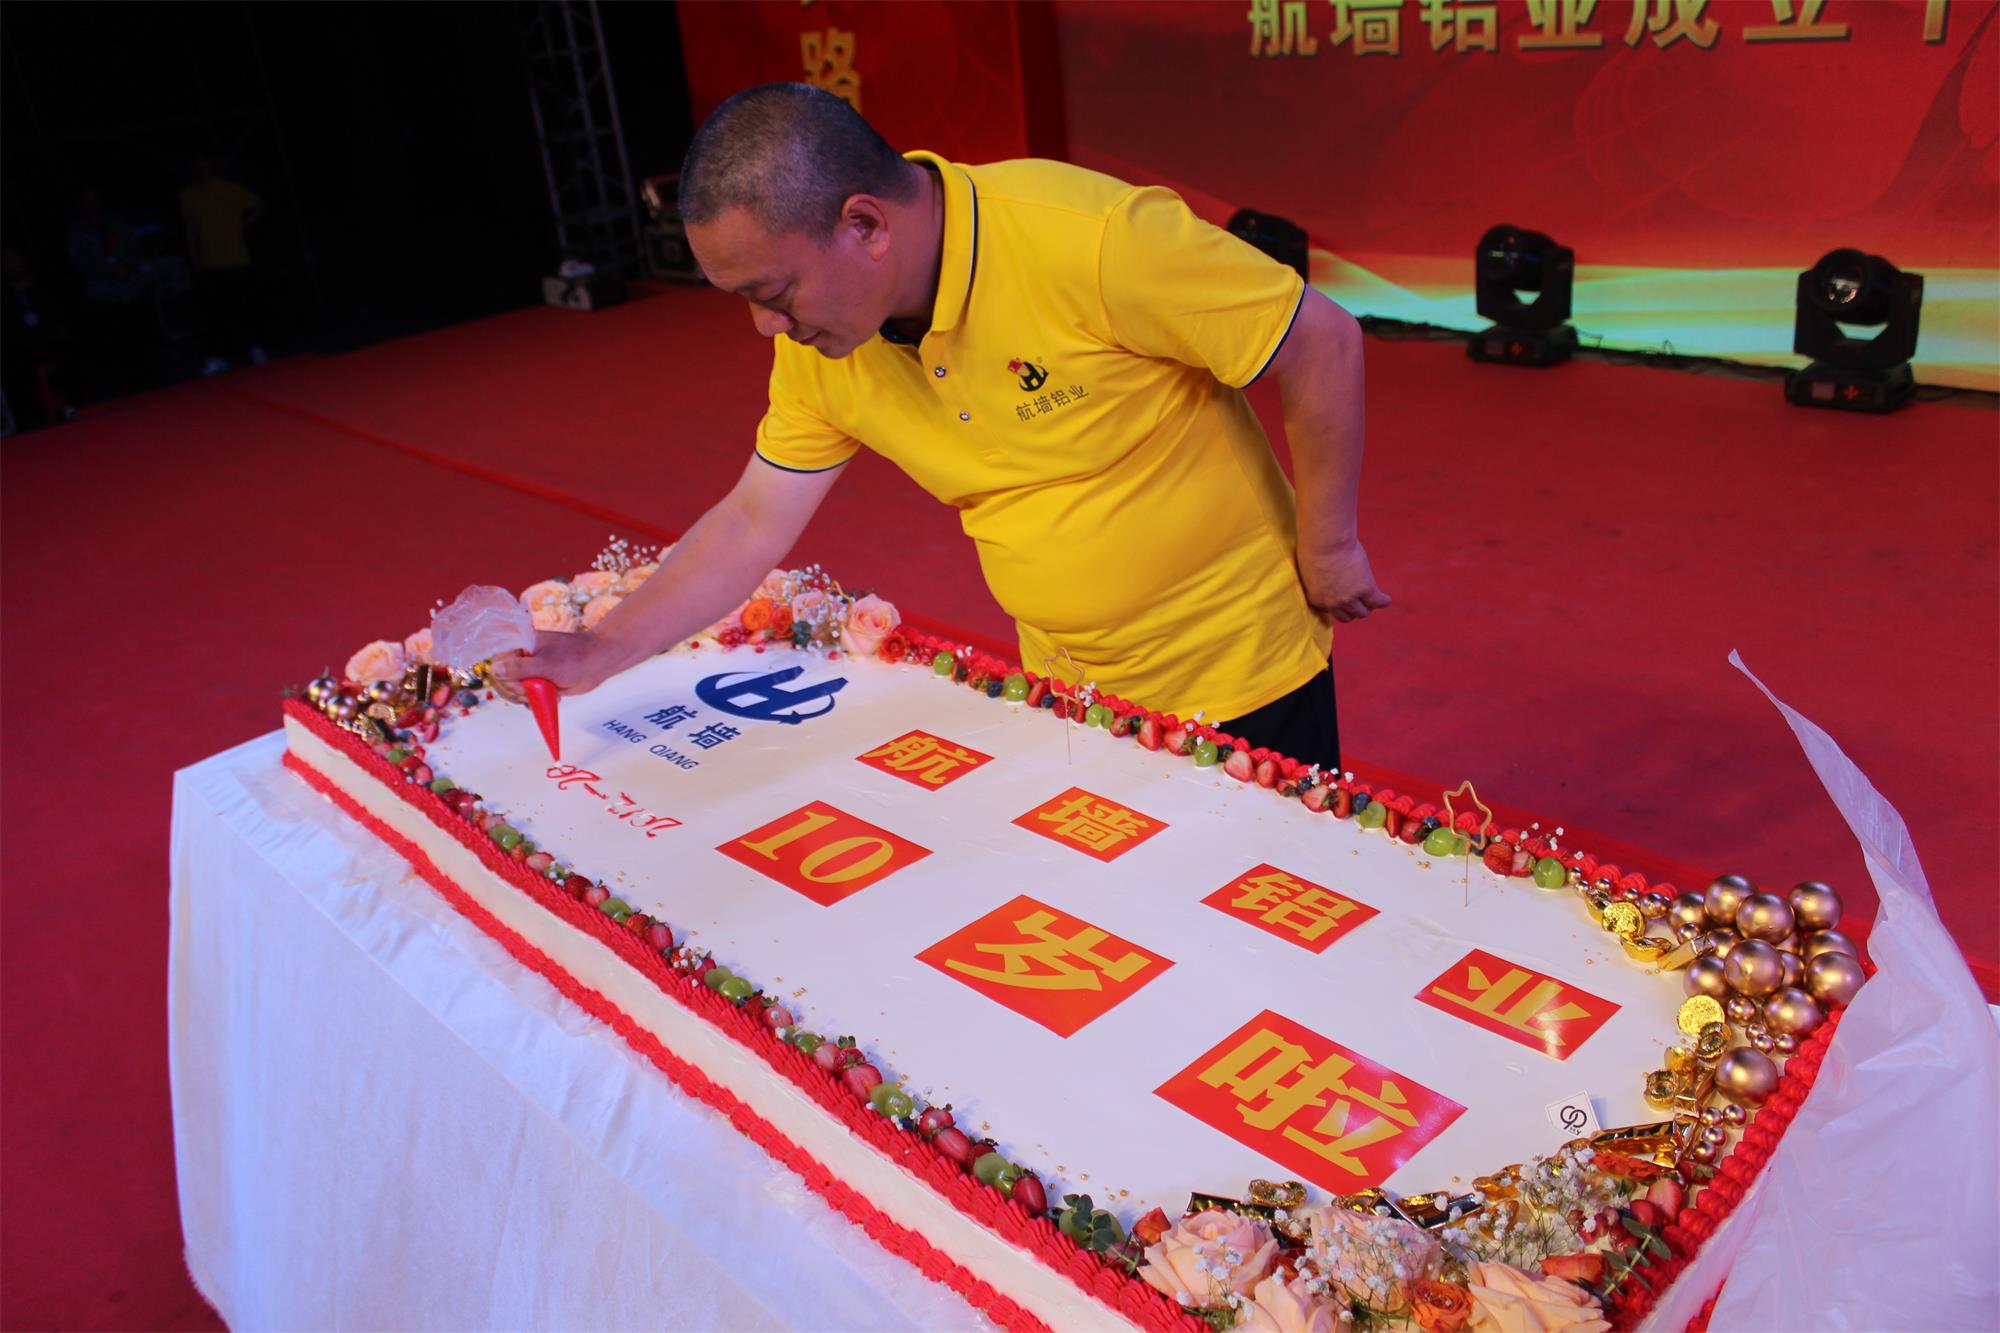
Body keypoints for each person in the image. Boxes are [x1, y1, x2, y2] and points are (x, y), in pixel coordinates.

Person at [494, 83, 1388, 768]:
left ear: (864, 225)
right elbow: (753, 519)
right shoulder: (823, 343)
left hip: (1244, 674)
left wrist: (1329, 546)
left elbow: (1320, 341)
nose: (765, 327)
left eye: (773, 293)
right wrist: (602, 649)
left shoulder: (1088, 238)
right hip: (1068, 688)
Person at [180, 155, 266, 374]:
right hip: (210, 262)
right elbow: (190, 231)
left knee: (245, 307)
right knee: (216, 313)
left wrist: (246, 225)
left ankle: (254, 347)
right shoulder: (189, 196)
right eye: (198, 164)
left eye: (206, 162)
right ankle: (218, 356)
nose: (202, 168)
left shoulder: (230, 189)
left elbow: (259, 205)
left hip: (238, 258)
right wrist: (194, 260)